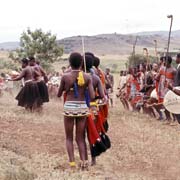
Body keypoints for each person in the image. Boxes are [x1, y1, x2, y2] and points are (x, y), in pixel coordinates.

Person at [57, 52, 95, 169]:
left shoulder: (65, 76)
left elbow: (59, 94)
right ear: (81, 63)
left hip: (69, 107)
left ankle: (72, 163)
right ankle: (84, 162)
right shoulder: (87, 77)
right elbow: (92, 96)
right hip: (82, 107)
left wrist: (67, 89)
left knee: (69, 137)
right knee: (80, 138)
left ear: (69, 63)